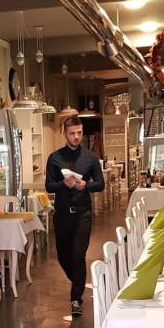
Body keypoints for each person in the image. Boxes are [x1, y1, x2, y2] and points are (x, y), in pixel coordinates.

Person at [45, 115, 105, 316]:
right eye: (72, 133)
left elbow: (100, 184)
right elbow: (48, 186)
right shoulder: (54, 158)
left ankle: (75, 299)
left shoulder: (90, 158)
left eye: (79, 133)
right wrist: (64, 184)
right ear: (64, 133)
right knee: (64, 257)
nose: (77, 137)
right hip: (62, 215)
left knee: (78, 255)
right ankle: (79, 281)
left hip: (82, 214)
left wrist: (85, 185)